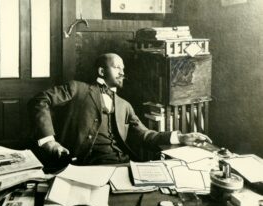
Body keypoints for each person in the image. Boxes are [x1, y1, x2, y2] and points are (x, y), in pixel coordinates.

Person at [28, 53, 212, 167]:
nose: (123, 72)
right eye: (117, 68)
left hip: (123, 164)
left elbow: (145, 135)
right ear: (101, 71)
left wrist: (180, 137)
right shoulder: (78, 88)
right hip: (83, 165)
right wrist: (48, 142)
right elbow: (39, 100)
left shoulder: (124, 105)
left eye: (123, 69)